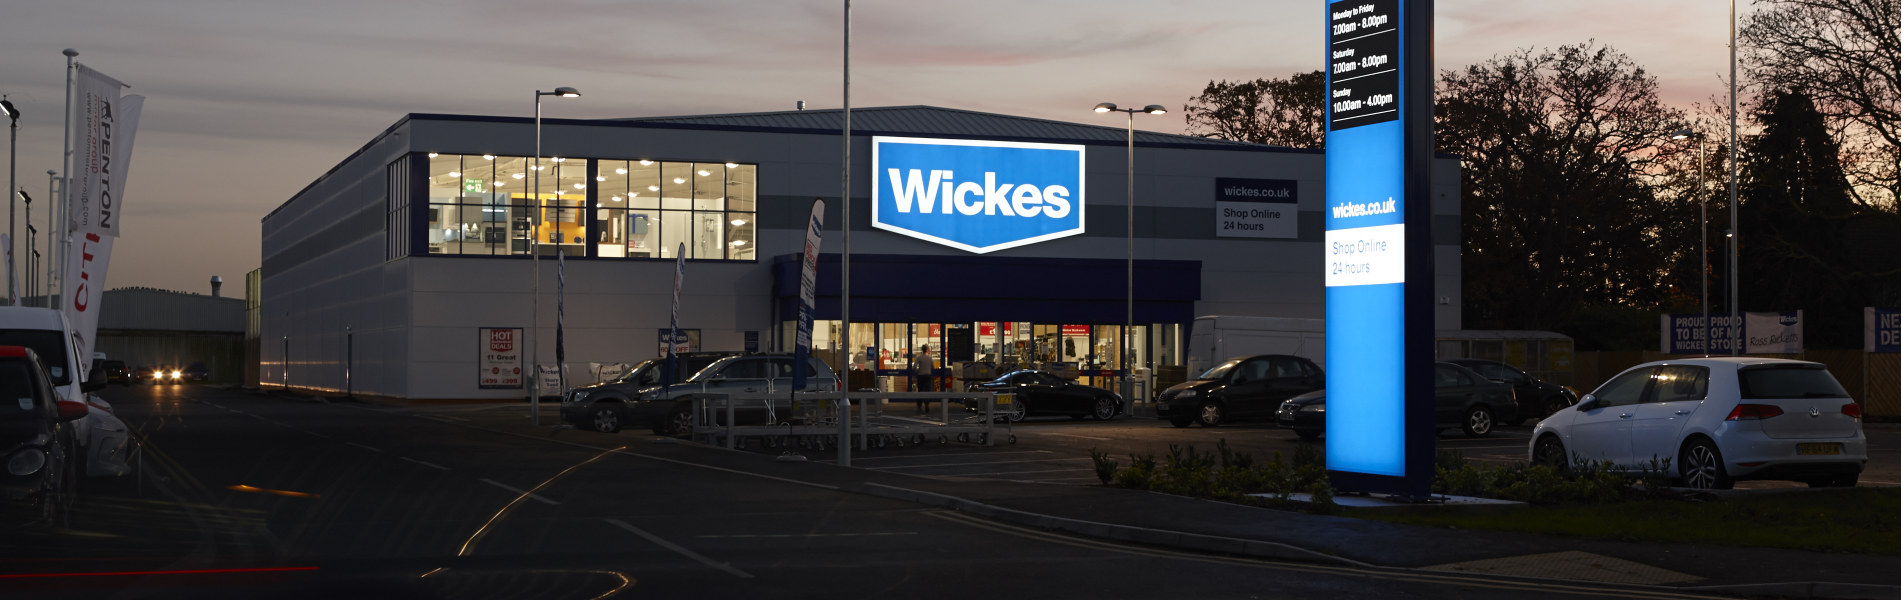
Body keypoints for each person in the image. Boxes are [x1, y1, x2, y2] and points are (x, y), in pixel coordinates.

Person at [911, 345, 934, 412]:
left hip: (920, 375)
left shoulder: (919, 357)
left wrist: (916, 374)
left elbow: (914, 367)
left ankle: (919, 405)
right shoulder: (929, 358)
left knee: (920, 390)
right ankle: (927, 405)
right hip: (927, 375)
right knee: (927, 391)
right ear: (926, 350)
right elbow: (933, 367)